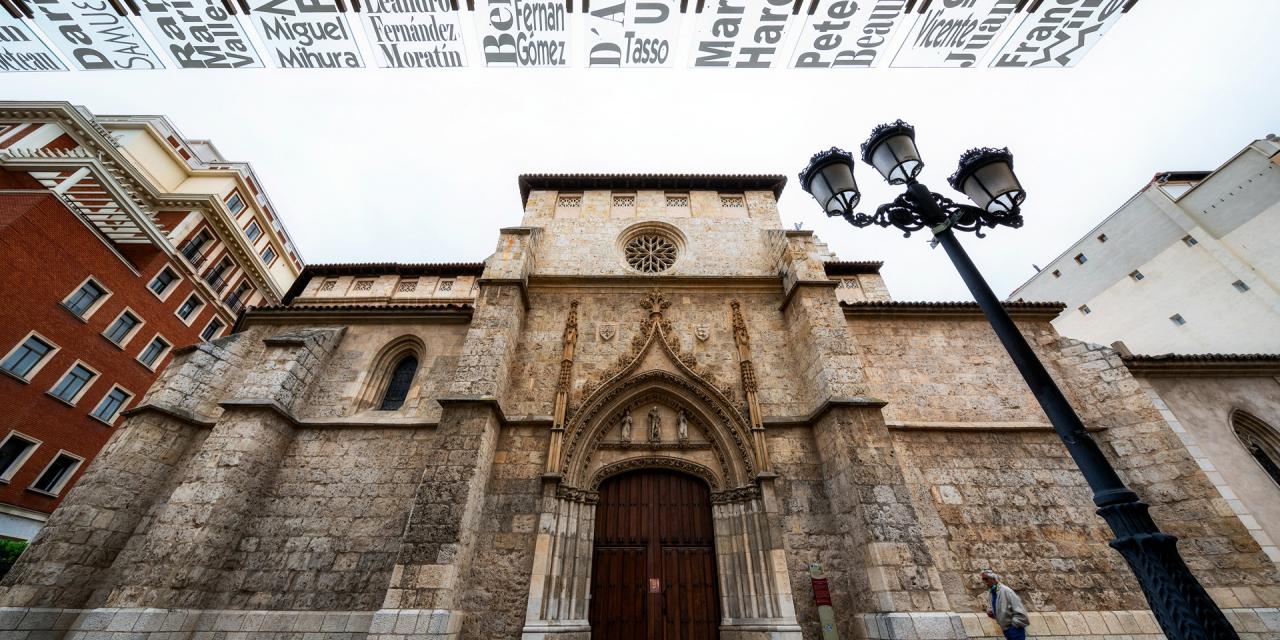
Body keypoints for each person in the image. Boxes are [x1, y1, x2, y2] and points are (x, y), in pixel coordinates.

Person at [981, 569, 1029, 640]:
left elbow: (1020, 611)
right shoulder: (991, 593)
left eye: (986, 579)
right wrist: (993, 613)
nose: (985, 582)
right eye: (983, 580)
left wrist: (1014, 626)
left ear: (993, 579)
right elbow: (1002, 610)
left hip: (1015, 629)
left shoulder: (1006, 591)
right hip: (1006, 630)